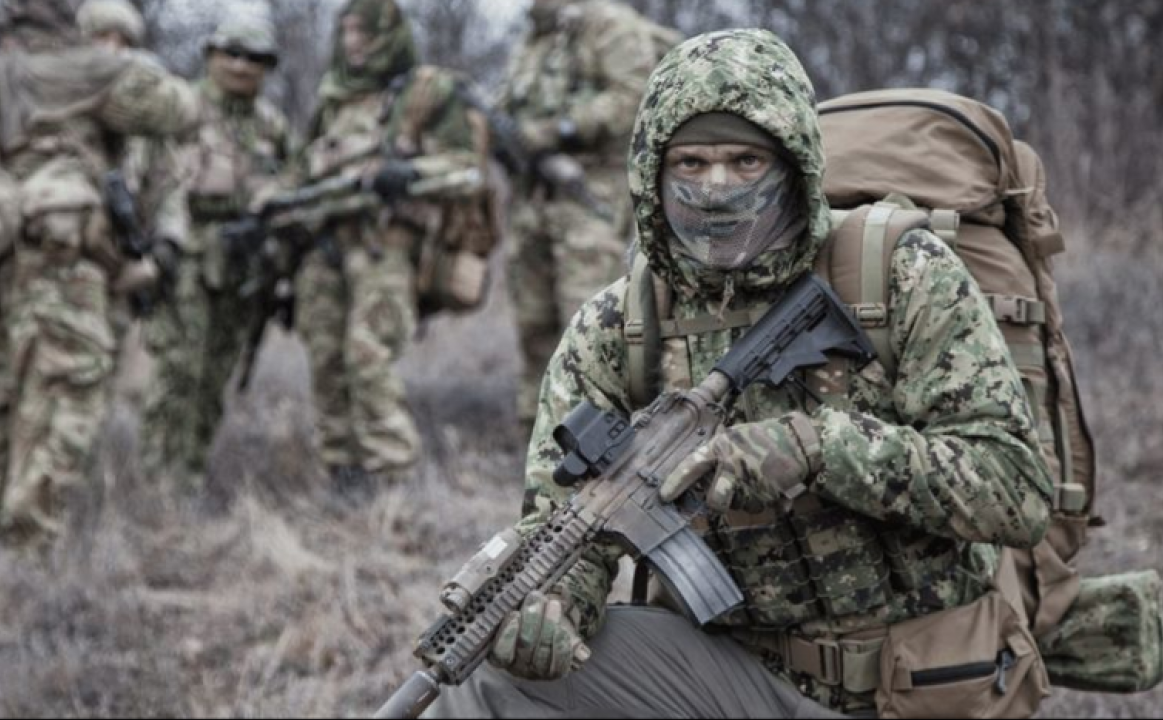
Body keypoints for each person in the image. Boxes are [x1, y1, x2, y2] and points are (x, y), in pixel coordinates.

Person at [427, 29, 1054, 717]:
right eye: (690, 162)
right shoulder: (617, 328)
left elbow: (1016, 491)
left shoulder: (901, 276)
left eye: (745, 161)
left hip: (923, 678)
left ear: (792, 166)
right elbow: (566, 526)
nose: (716, 187)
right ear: (651, 177)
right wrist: (553, 604)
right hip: (737, 677)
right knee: (493, 683)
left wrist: (819, 449)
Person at [0, 0, 198, 554]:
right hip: (62, 255)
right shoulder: (84, 68)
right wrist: (124, 68)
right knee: (69, 388)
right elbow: (179, 109)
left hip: (2, 252)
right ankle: (28, 542)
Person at [295, 0, 487, 485]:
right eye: (348, 31)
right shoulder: (333, 98)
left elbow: (466, 169)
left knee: (368, 356)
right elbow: (300, 172)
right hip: (326, 247)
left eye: (365, 32)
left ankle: (395, 479)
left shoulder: (423, 93)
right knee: (325, 359)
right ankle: (342, 473)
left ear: (389, 35)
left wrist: (408, 173)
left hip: (387, 247)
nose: (353, 42)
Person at [497, 0, 675, 435]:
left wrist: (559, 129)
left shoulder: (608, 25)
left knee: (589, 327)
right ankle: (536, 436)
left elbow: (632, 94)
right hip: (532, 202)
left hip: (589, 200)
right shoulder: (534, 36)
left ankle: (597, 440)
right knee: (533, 326)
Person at [138, 18, 294, 492]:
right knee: (177, 372)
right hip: (187, 258)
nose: (242, 66)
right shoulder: (183, 108)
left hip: (245, 267)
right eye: (233, 54)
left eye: (255, 58)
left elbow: (288, 188)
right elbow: (154, 180)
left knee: (216, 376)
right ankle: (155, 484)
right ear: (212, 54)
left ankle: (189, 475)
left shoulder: (271, 124)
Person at [75, 0, 190, 387]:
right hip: (67, 264)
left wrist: (164, 249)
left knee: (98, 384)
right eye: (102, 37)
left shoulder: (145, 115)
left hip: (121, 269)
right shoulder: (63, 102)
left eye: (122, 41)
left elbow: (169, 184)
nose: (112, 49)